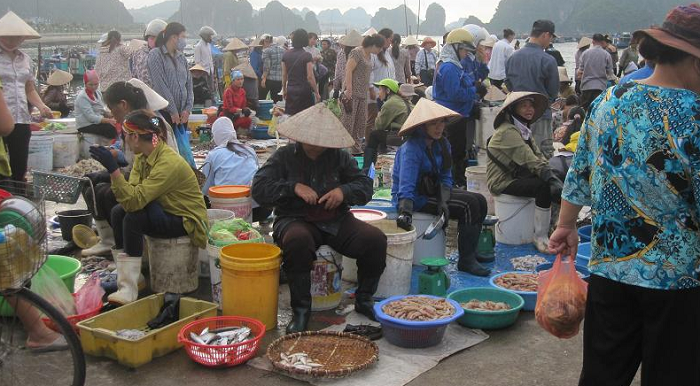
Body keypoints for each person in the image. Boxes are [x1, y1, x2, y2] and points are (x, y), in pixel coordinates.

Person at [549, 6, 700, 384]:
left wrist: (566, 225)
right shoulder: (694, 113)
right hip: (676, 279)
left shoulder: (610, 99)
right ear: (695, 59)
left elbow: (580, 170)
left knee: (604, 372)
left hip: (611, 267)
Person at [251, 104, 388, 332]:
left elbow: (364, 186)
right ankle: (301, 311)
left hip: (335, 220)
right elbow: (259, 188)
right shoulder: (284, 156)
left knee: (375, 240)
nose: (317, 143)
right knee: (298, 242)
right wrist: (293, 187)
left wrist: (343, 192)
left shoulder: (340, 157)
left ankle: (364, 299)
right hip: (295, 218)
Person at [90, 109, 207, 304]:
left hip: (186, 220)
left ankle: (129, 288)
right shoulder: (145, 155)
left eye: (125, 136)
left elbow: (135, 201)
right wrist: (115, 173)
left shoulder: (167, 162)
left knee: (134, 218)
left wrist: (114, 171)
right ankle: (131, 277)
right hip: (164, 209)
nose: (124, 141)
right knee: (119, 211)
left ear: (135, 137)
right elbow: (132, 196)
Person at [82, 79, 180, 257]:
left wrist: (112, 171)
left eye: (113, 110)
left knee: (111, 196)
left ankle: (130, 250)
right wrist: (113, 159)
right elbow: (133, 162)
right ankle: (110, 242)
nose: (112, 115)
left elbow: (158, 162)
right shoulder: (131, 125)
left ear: (123, 105)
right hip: (144, 178)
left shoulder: (155, 123)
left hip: (161, 186)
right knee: (91, 188)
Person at [393, 99, 490, 276]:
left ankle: (471, 252)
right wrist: (405, 212)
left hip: (435, 191)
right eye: (433, 123)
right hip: (415, 197)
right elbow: (406, 185)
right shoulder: (412, 148)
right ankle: (466, 261)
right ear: (422, 126)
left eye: (441, 122)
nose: (439, 127)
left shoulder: (443, 144)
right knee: (468, 205)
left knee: (480, 201)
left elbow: (446, 176)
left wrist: (444, 201)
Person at [486, 92, 563, 253]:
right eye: (524, 106)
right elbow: (530, 160)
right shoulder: (507, 131)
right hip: (503, 181)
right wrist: (549, 179)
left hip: (518, 176)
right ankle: (540, 236)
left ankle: (554, 226)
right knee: (543, 186)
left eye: (531, 105)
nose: (529, 109)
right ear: (513, 109)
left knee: (557, 177)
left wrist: (553, 176)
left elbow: (539, 156)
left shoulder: (523, 129)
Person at [0, 11, 52, 182]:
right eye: (8, 36)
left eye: (16, 36)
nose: (12, 40)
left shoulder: (25, 59)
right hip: (2, 117)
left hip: (21, 118)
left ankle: (17, 197)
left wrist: (41, 106)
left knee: (19, 162)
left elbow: (29, 88)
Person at [505, 20, 559, 159]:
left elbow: (509, 84)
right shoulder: (548, 60)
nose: (551, 40)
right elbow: (553, 92)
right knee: (542, 156)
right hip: (540, 115)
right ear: (546, 35)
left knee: (519, 154)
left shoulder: (512, 57)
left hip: (516, 116)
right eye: (552, 37)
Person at [202, 117, 271, 223]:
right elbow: (257, 176)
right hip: (259, 211)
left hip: (228, 213)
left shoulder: (213, 155)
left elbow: (205, 188)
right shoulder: (249, 150)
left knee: (202, 199)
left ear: (216, 135)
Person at [433, 29, 478, 188]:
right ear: (455, 48)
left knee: (456, 150)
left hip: (456, 114)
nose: (466, 54)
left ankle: (455, 181)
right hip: (452, 116)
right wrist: (474, 91)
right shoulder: (450, 68)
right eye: (464, 50)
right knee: (454, 151)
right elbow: (455, 93)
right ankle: (452, 183)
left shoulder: (451, 65)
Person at [341, 34, 385, 153]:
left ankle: (356, 149)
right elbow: (348, 69)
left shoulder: (370, 55)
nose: (380, 50)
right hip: (352, 93)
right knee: (348, 122)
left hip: (362, 94)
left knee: (360, 123)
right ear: (374, 45)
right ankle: (344, 150)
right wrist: (349, 89)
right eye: (380, 47)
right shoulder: (357, 52)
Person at [148, 22, 193, 128]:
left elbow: (189, 85)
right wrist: (173, 110)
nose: (184, 41)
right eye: (183, 37)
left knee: (180, 143)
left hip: (182, 114)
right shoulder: (156, 55)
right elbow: (160, 85)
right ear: (174, 37)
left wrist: (188, 109)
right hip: (164, 113)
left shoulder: (181, 58)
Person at [362, 79, 413, 168]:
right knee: (382, 135)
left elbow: (379, 126)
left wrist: (379, 113)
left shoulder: (390, 103)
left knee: (374, 135)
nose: (378, 93)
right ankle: (381, 162)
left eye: (380, 90)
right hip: (408, 134)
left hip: (402, 137)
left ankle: (367, 168)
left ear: (388, 91)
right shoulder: (403, 100)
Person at [282, 29, 319, 116]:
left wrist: (284, 89)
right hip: (304, 91)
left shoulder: (286, 54)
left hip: (291, 89)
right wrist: (316, 92)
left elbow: (284, 75)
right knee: (305, 117)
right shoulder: (307, 55)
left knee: (291, 116)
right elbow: (310, 77)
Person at [367, 28, 396, 139]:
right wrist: (370, 89)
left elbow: (392, 73)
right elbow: (369, 73)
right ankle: (369, 145)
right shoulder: (374, 54)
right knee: (372, 121)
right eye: (390, 39)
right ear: (384, 38)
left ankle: (380, 145)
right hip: (375, 93)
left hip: (386, 94)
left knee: (384, 121)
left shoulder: (387, 54)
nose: (391, 42)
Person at [75, 70, 117, 139]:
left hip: (95, 121)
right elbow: (91, 117)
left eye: (96, 84)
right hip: (85, 125)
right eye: (91, 85)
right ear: (85, 84)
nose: (94, 87)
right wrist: (108, 120)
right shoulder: (82, 97)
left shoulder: (97, 92)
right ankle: (110, 147)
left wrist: (111, 114)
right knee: (110, 129)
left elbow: (100, 109)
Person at [578, 34, 615, 110]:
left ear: (593, 41)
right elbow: (610, 73)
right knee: (597, 110)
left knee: (586, 109)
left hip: (586, 86)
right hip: (600, 86)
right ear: (602, 42)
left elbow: (580, 71)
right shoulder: (606, 55)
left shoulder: (585, 53)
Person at [131, 19, 167, 87]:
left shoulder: (169, 55)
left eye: (158, 39)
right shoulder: (138, 54)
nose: (155, 42)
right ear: (146, 38)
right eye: (152, 38)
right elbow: (134, 76)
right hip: (144, 94)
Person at [333, 30, 362, 99]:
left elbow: (338, 72)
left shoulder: (341, 53)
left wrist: (336, 88)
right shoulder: (362, 53)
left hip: (346, 87)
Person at [262, 36, 286, 103]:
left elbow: (267, 66)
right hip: (280, 79)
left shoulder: (267, 51)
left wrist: (264, 79)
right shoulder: (283, 50)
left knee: (266, 99)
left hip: (270, 79)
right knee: (278, 100)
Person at [194, 26, 216, 96]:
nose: (211, 38)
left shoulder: (208, 45)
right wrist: (201, 73)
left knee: (212, 89)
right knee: (205, 89)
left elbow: (210, 58)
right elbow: (197, 62)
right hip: (204, 72)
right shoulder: (198, 46)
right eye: (210, 36)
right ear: (205, 36)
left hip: (210, 71)